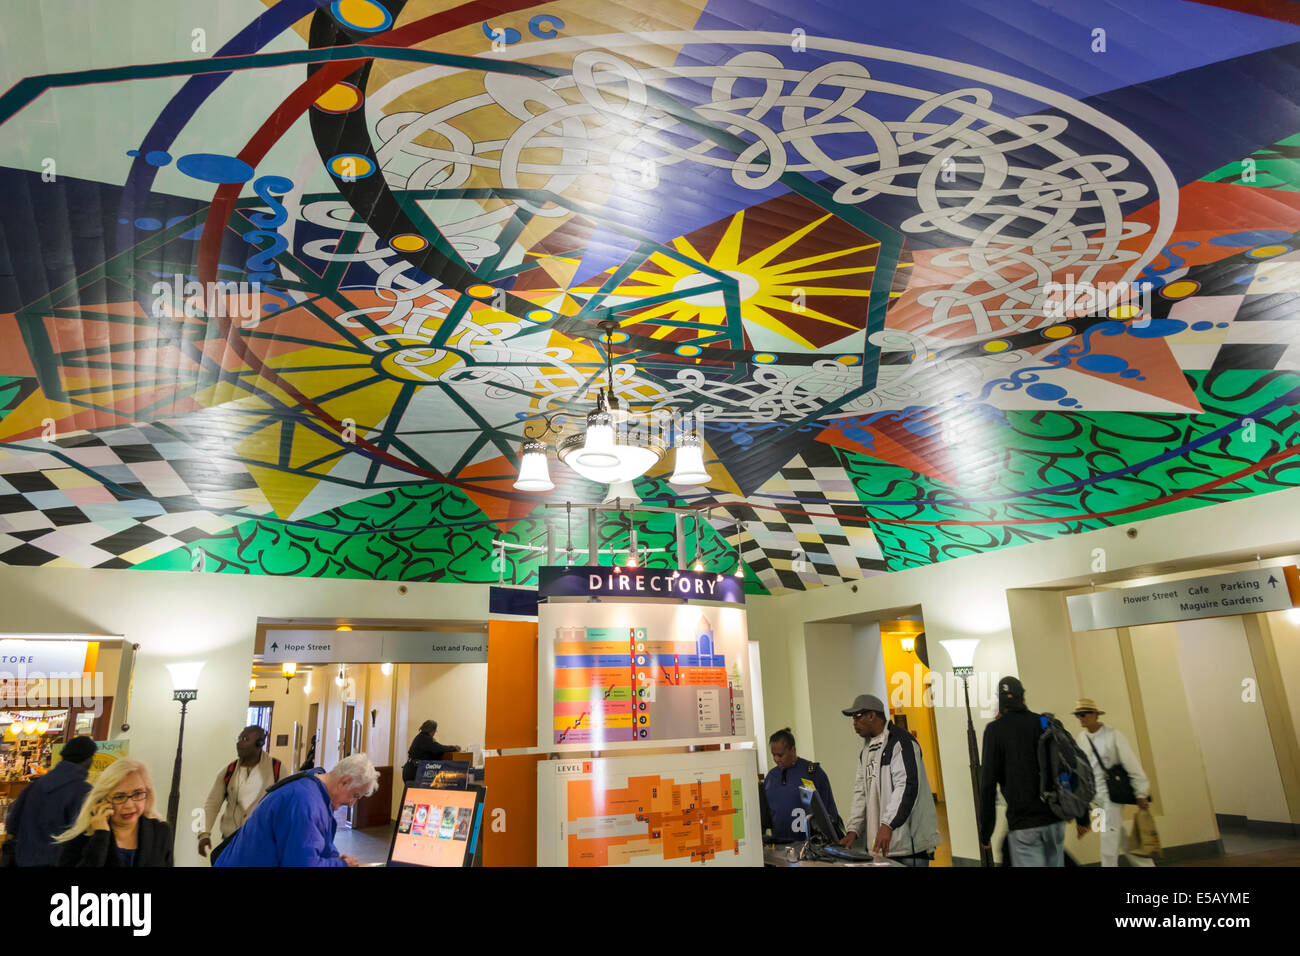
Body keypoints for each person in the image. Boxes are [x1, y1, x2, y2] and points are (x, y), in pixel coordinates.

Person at [979, 676, 1088, 866]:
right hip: (1053, 821)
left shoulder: (995, 731)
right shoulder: (1044, 723)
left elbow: (988, 784)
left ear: (1000, 701)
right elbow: (1068, 766)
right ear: (1023, 696)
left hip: (1023, 826)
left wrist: (986, 830)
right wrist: (1082, 815)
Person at [212, 753, 379, 867]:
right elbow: (301, 863)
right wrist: (341, 864)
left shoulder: (314, 786)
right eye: (355, 795)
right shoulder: (305, 802)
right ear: (344, 781)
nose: (351, 804)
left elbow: (317, 843)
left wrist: (335, 858)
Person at [838, 693, 941, 866]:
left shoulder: (902, 743)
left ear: (872, 715)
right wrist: (853, 830)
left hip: (908, 849)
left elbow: (907, 786)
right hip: (880, 849)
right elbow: (861, 793)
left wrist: (888, 824)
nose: (854, 723)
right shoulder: (866, 752)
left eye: (857, 716)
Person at [1073, 698, 1155, 868]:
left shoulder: (1113, 735)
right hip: (1095, 798)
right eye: (1078, 715)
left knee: (1107, 844)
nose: (1081, 718)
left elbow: (1131, 764)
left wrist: (1141, 792)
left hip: (1112, 795)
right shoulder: (1081, 738)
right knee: (1119, 838)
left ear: (1095, 714)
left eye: (1084, 714)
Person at [54, 758, 173, 867]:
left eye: (138, 793)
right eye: (119, 797)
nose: (129, 805)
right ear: (102, 799)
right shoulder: (82, 838)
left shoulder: (160, 832)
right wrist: (100, 836)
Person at [1, 736, 97, 866]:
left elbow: (12, 823)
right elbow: (84, 837)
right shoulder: (83, 791)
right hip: (57, 861)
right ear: (88, 759)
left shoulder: (36, 784)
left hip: (24, 859)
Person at [197, 725, 283, 861]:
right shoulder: (228, 771)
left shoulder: (276, 769)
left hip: (263, 844)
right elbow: (212, 804)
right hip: (230, 841)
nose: (239, 742)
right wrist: (204, 834)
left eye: (245, 739)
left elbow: (286, 806)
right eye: (239, 738)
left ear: (259, 744)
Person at [762, 728, 839, 842]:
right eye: (773, 755)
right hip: (779, 844)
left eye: (780, 755)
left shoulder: (812, 773)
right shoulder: (771, 777)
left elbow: (829, 814)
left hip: (809, 846)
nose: (776, 759)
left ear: (793, 750)